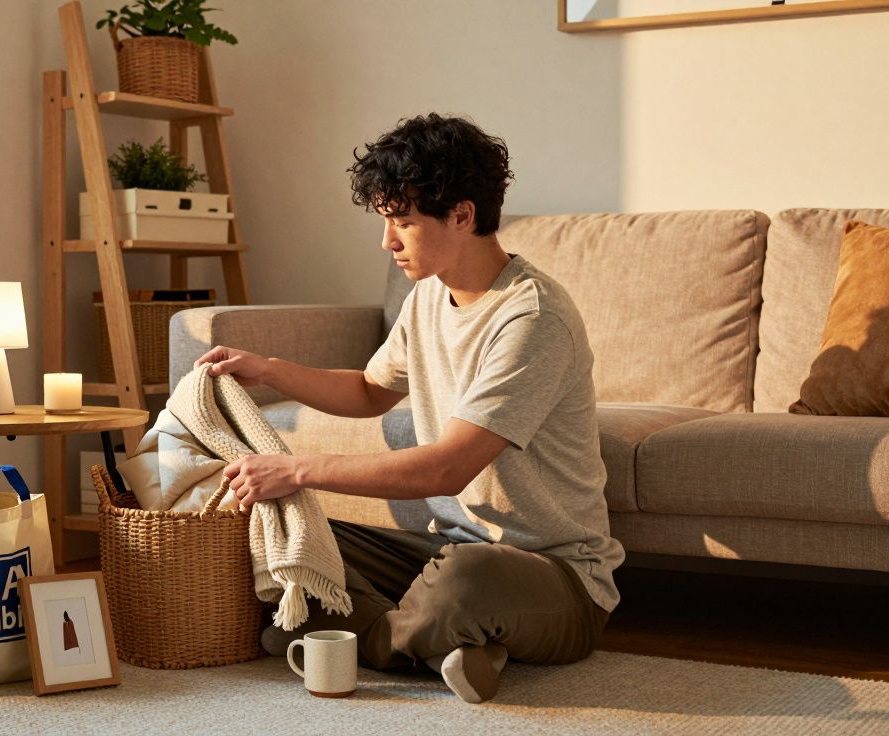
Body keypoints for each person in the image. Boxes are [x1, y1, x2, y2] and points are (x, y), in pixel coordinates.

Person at [193, 113, 623, 704]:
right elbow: (370, 392)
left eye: (402, 221)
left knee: (466, 582)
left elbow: (445, 469)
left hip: (555, 579)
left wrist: (294, 467)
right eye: (386, 221)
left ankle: (366, 640)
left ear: (463, 215)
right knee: (283, 531)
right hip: (443, 548)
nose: (388, 241)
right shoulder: (428, 296)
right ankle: (448, 648)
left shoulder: (532, 318)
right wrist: (268, 370)